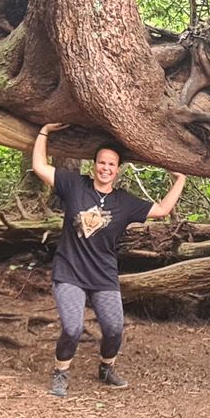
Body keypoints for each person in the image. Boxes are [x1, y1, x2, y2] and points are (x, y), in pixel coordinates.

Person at [31, 123, 186, 397]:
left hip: (103, 274)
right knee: (73, 327)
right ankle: (60, 373)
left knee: (114, 328)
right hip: (70, 270)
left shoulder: (124, 202)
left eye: (111, 164)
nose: (106, 168)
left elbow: (163, 209)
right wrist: (44, 131)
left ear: (118, 170)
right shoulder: (74, 185)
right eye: (101, 162)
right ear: (94, 165)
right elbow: (41, 166)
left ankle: (106, 367)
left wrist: (180, 180)